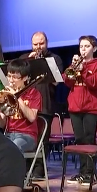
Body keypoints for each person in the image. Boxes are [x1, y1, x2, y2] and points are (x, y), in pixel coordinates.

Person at [63, 35, 97, 185]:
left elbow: (96, 83)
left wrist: (83, 71)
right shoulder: (76, 63)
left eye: (87, 46)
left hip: (91, 107)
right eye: (81, 46)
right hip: (75, 107)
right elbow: (67, 80)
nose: (83, 49)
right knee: (80, 141)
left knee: (89, 140)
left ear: (94, 48)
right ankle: (82, 172)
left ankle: (89, 173)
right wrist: (72, 67)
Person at [20, 31, 64, 177]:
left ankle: (39, 171)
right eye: (35, 44)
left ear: (47, 43)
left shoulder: (54, 58)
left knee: (41, 141)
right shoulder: (25, 58)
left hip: (45, 104)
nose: (38, 47)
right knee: (27, 138)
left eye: (41, 43)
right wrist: (29, 63)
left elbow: (56, 81)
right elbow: (15, 78)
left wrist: (41, 64)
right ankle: (26, 169)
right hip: (26, 105)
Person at [0, 59, 42, 153]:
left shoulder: (34, 94)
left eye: (15, 77)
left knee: (12, 150)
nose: (11, 80)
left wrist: (16, 96)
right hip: (8, 134)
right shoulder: (5, 94)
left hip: (27, 136)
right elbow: (2, 124)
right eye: (9, 76)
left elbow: (32, 117)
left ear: (25, 78)